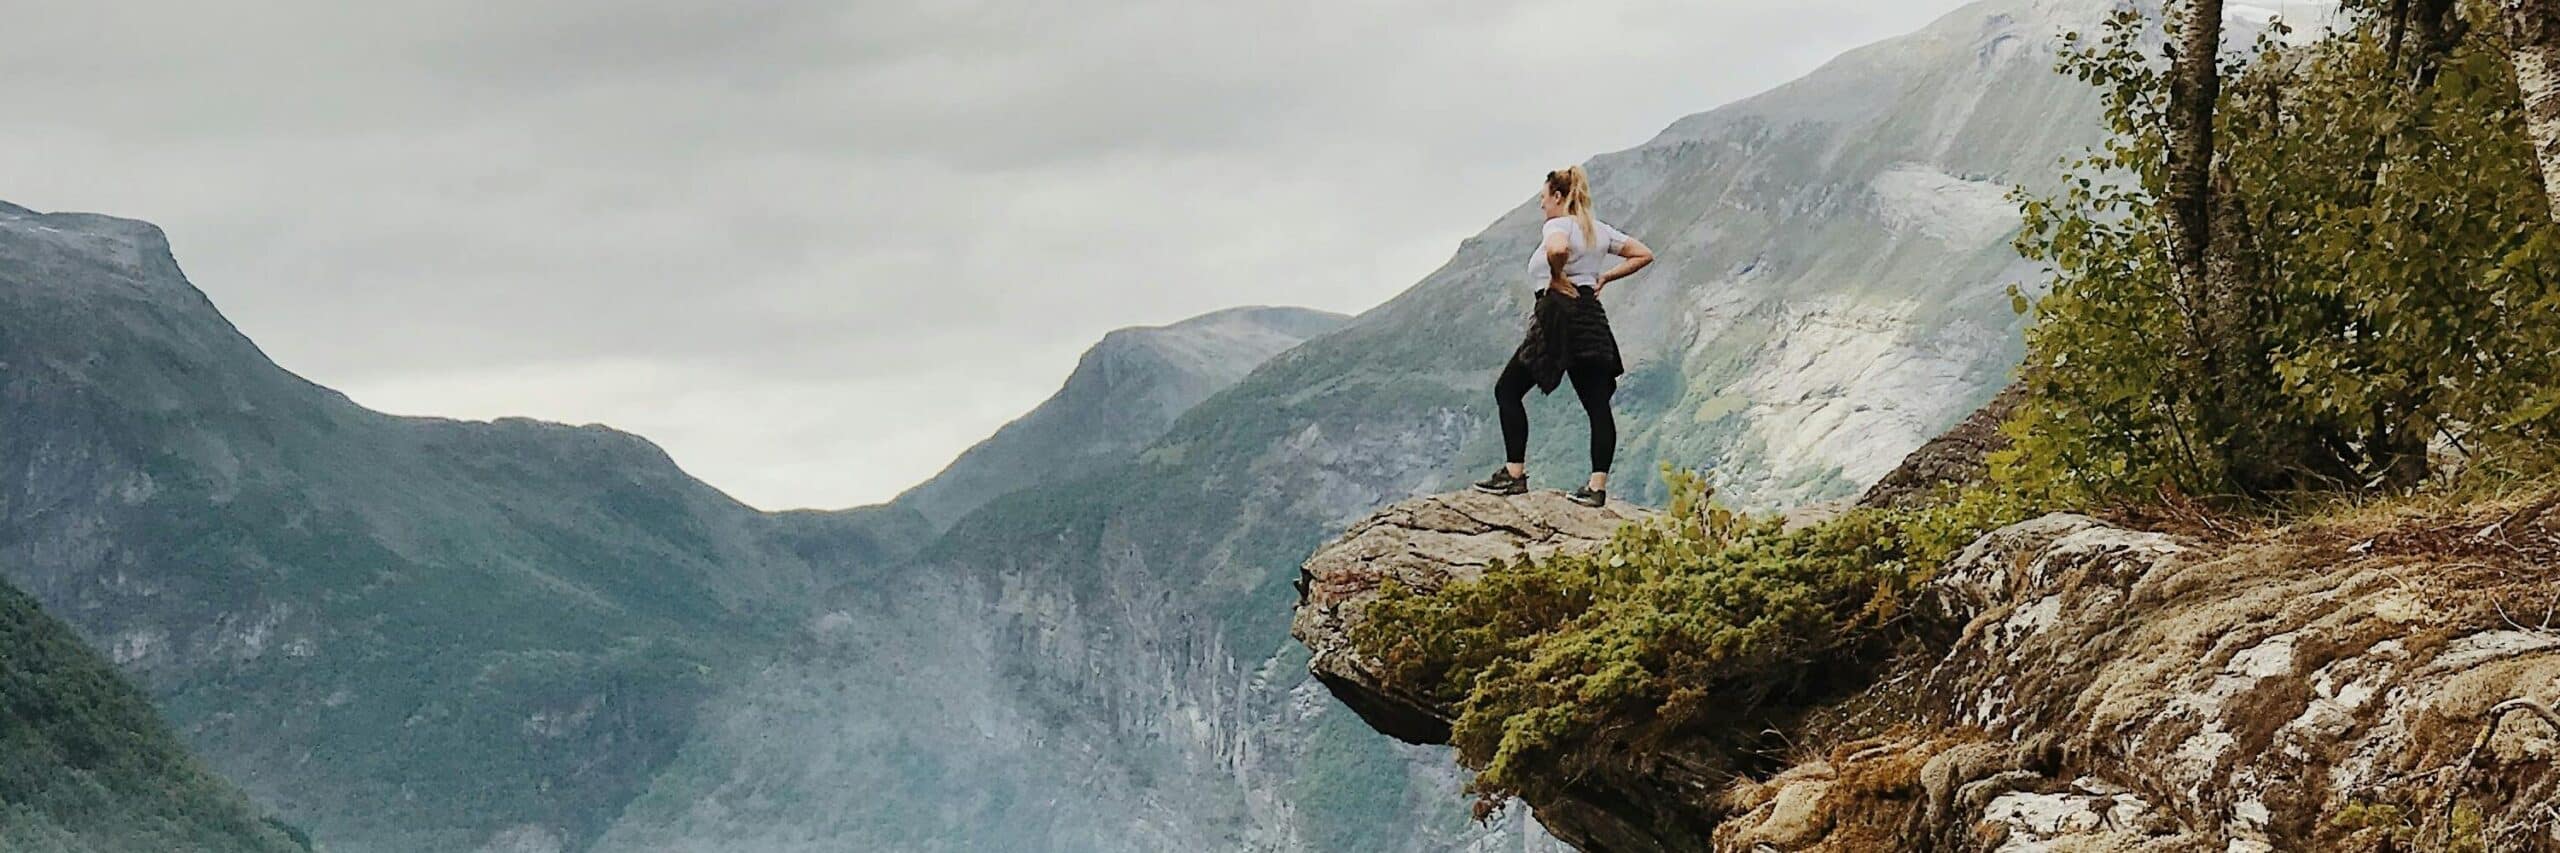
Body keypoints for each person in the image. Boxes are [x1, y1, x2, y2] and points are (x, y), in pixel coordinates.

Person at [1472, 165, 1654, 507]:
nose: (1542, 206)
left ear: (1558, 197)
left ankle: (1514, 476)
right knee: (1597, 405)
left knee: (1507, 390)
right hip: (1590, 316)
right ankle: (1596, 488)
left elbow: (1556, 249)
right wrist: (1604, 279)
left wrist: (1556, 275)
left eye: (1544, 198)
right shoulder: (1598, 230)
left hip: (1557, 314)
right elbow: (1644, 253)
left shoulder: (1557, 225)